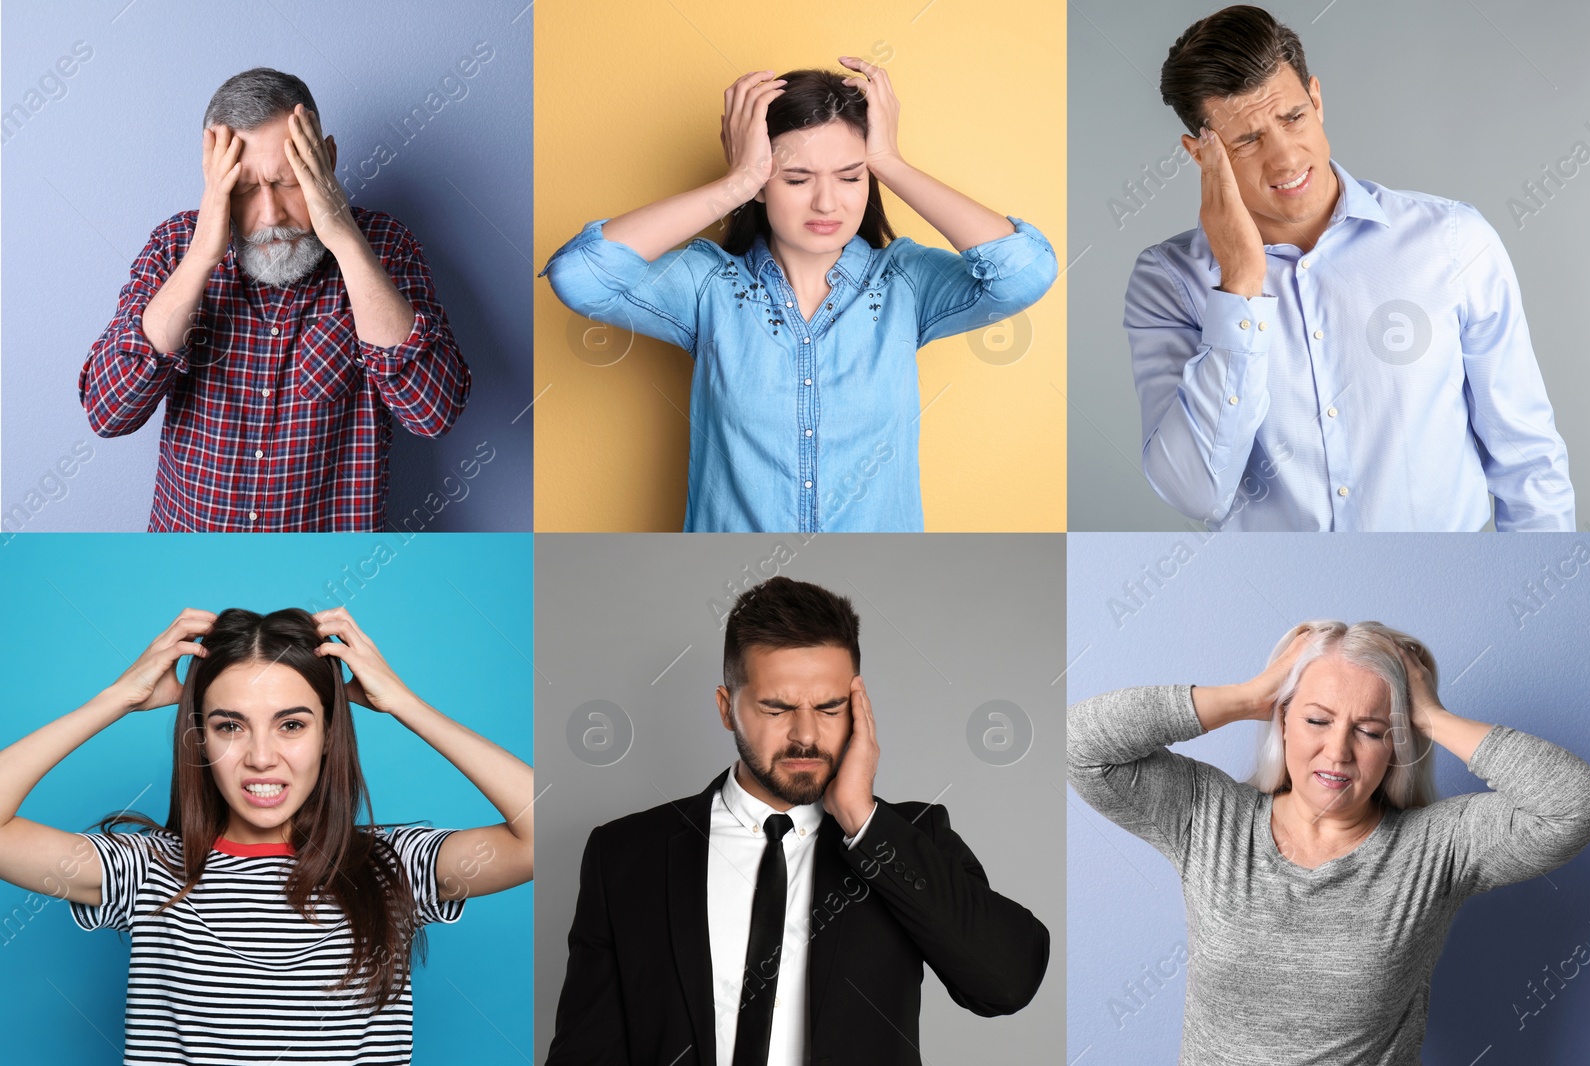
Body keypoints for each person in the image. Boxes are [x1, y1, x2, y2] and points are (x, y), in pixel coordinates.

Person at [547, 576, 1050, 1064]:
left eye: (830, 709)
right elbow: (586, 1051)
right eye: (777, 709)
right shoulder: (626, 854)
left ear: (858, 708)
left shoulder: (910, 838)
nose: (806, 735)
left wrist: (863, 820)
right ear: (727, 708)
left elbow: (1007, 982)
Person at [540, 60, 1057, 532]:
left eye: (851, 176)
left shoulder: (906, 282)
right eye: (796, 177)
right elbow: (580, 276)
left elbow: (1025, 272)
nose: (827, 201)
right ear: (763, 185)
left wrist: (890, 161)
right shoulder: (708, 286)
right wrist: (736, 180)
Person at [0, 607, 533, 1064]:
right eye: (229, 726)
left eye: (292, 725)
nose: (260, 757)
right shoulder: (145, 871)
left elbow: (538, 832)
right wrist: (115, 698)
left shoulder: (392, 866)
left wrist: (405, 704)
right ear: (200, 736)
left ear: (329, 733)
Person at [1065, 620, 1590, 1065]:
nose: (1337, 750)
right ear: (1283, 718)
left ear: (1397, 743)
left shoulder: (1438, 848)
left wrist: (1432, 716)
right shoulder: (1208, 815)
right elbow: (1081, 744)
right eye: (1317, 719)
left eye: (1370, 730)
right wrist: (1248, 696)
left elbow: (1577, 804)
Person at [1125, 6, 1572, 531]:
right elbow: (1196, 492)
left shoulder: (1453, 241)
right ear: (1203, 155)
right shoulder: (1167, 283)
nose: (1286, 158)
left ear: (1316, 99)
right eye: (1246, 140)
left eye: (1293, 117)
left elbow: (1527, 458)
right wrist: (1240, 287)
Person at [80, 68, 471, 532]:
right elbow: (109, 412)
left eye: (289, 183)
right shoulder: (174, 245)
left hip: (328, 579)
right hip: (192, 564)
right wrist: (202, 256)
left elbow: (433, 412)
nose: (271, 214)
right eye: (244, 190)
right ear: (213, 179)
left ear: (326, 159)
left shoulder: (386, 248)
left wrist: (344, 239)